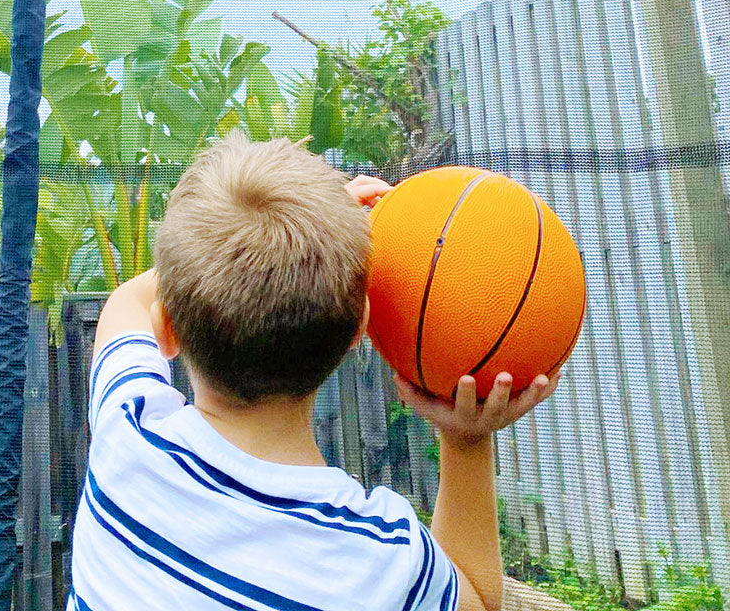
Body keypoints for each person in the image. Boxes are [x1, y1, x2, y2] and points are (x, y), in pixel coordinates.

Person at [69, 132, 558, 611]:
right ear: (359, 331)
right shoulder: (381, 560)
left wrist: (272, 234)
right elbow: (475, 597)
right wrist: (466, 441)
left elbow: (126, 302)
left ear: (168, 330)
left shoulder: (128, 435)